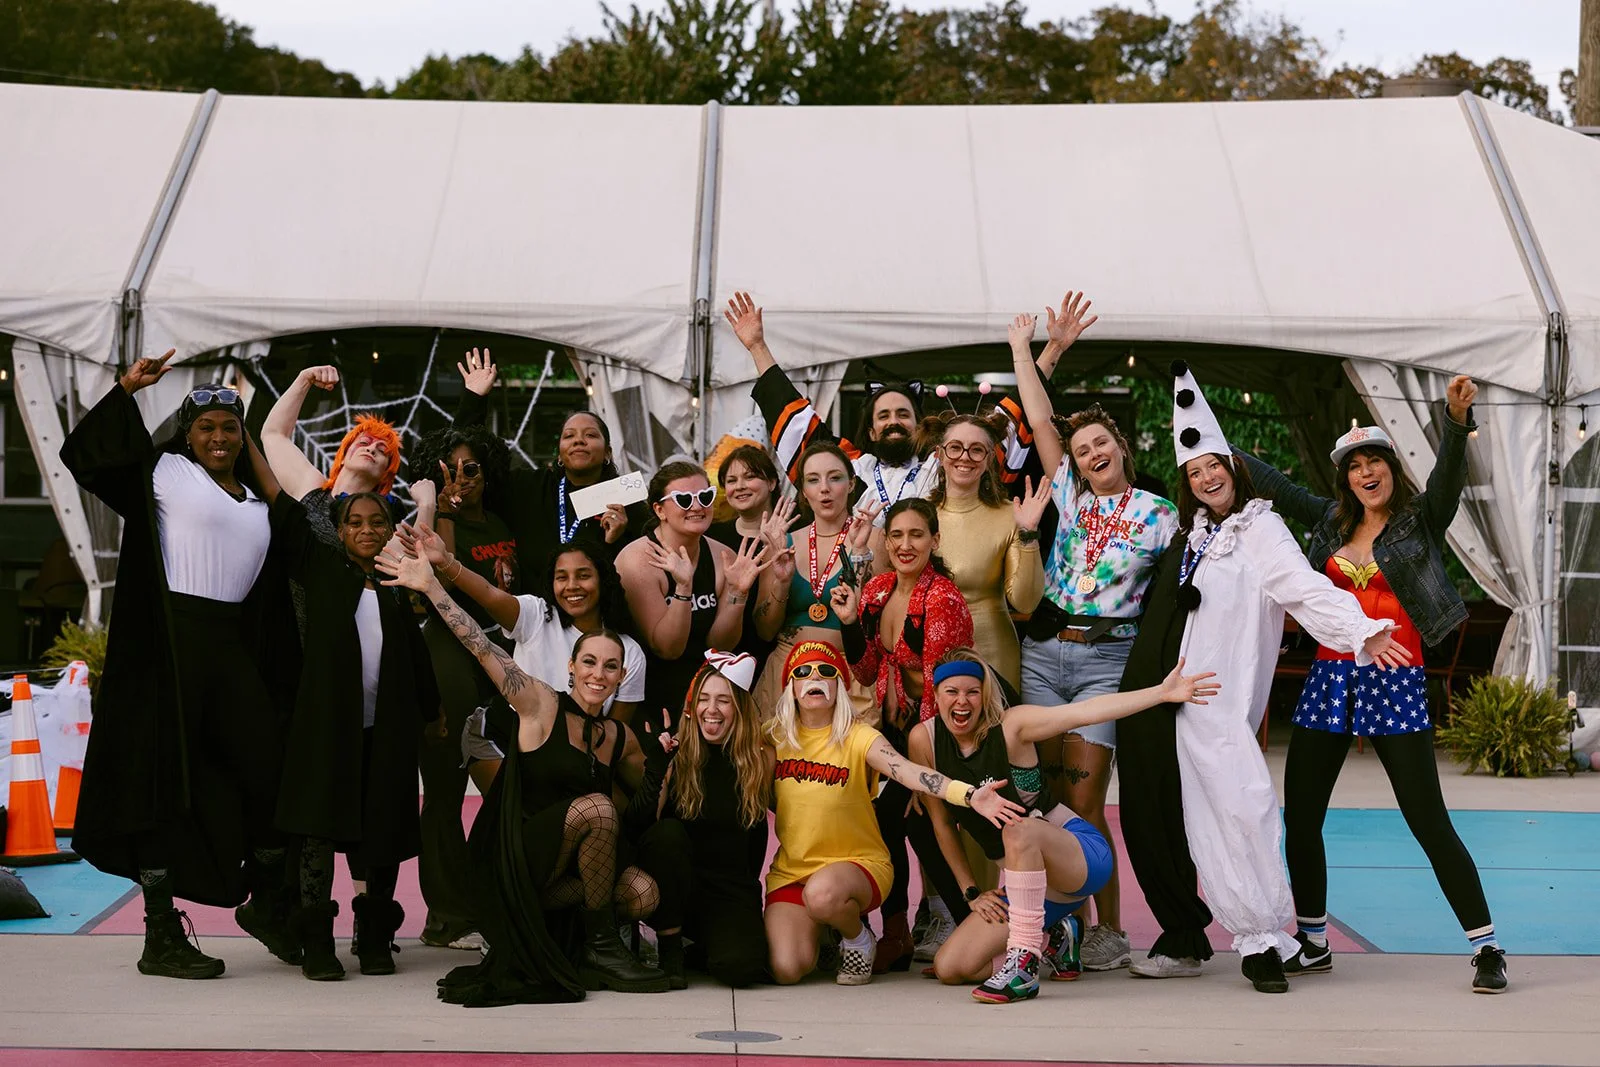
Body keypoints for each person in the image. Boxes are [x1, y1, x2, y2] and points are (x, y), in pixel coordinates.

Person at [1119, 363, 1410, 994]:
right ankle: (1258, 938)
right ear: (1189, 483)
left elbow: (1302, 589)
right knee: (1203, 818)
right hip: (1178, 699)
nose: (1208, 477)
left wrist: (1361, 628)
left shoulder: (1260, 529)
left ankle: (1263, 934)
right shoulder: (1194, 534)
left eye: (1215, 465)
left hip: (1223, 701)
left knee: (1245, 808)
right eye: (1196, 473)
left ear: (1233, 466)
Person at [1238, 375, 1506, 993]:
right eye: (1355, 465)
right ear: (1346, 479)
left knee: (1428, 820)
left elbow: (1447, 481)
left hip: (1396, 681)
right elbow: (1274, 484)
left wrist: (1456, 420)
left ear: (1390, 469)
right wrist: (1215, 448)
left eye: (1375, 461)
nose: (1366, 472)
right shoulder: (1330, 525)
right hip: (1331, 679)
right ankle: (1312, 941)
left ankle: (1487, 946)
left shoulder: (1419, 521)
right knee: (1301, 818)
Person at [60, 352, 298, 979]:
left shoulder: (257, 500)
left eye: (228, 427)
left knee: (268, 769)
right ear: (187, 435)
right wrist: (125, 391)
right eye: (206, 428)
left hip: (232, 648)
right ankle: (160, 933)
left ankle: (269, 903)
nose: (218, 437)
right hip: (169, 647)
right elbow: (86, 457)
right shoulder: (164, 473)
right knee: (165, 784)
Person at [378, 546, 675, 999]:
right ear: (571, 668)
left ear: (621, 677)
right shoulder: (540, 703)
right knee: (595, 807)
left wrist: (662, 762)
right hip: (512, 862)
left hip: (559, 880)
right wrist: (433, 587)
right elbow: (480, 645)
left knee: (644, 893)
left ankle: (585, 949)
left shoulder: (620, 738)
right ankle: (601, 948)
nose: (599, 673)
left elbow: (642, 815)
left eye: (611, 666)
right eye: (589, 662)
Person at [1008, 293, 1174, 972]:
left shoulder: (1162, 513)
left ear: (1121, 447)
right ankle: (1058, 922)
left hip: (1108, 656)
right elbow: (1039, 417)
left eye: (1100, 442)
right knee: (1041, 797)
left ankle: (1105, 925)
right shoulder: (1071, 496)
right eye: (1080, 448)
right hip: (1044, 652)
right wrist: (1027, 348)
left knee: (1083, 797)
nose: (1090, 451)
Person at [910, 649, 1219, 1003]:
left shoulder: (1012, 726)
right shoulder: (925, 740)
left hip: (1079, 856)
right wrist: (971, 892)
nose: (962, 702)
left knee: (1017, 827)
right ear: (935, 695)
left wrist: (1159, 694)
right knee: (952, 968)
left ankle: (1023, 962)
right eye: (952, 692)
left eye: (972, 691)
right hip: (1033, 885)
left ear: (985, 695)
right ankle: (1059, 930)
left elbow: (1083, 712)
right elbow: (943, 824)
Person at [763, 640, 1025, 986]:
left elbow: (907, 771)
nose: (815, 678)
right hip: (793, 873)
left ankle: (857, 938)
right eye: (803, 672)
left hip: (857, 866)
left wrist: (968, 794)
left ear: (839, 685)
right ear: (791, 687)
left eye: (826, 671)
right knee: (787, 969)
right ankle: (825, 933)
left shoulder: (858, 737)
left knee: (823, 894)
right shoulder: (773, 737)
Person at [265, 488, 438, 981]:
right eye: (355, 522)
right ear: (338, 533)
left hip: (384, 730)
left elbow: (414, 651)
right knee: (319, 830)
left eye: (377, 522)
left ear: (390, 530)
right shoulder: (322, 572)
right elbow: (285, 509)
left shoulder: (396, 584)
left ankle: (375, 935)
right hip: (326, 729)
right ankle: (317, 939)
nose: (366, 530)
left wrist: (432, 710)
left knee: (381, 829)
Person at [836, 498, 975, 972]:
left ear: (935, 541)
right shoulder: (876, 590)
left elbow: (943, 689)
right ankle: (896, 931)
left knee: (919, 820)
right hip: (896, 727)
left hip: (944, 732)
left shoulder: (942, 598)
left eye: (917, 535)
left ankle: (968, 924)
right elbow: (866, 667)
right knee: (883, 819)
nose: (905, 544)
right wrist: (852, 622)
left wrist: (924, 774)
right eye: (896, 535)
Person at [406, 424, 522, 951]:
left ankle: (492, 901)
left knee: (506, 789)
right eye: (447, 469)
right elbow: (437, 571)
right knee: (446, 794)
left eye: (470, 468)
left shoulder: (499, 519)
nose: (460, 478)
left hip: (495, 659)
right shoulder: (440, 523)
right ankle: (446, 916)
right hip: (448, 657)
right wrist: (435, 504)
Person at [419, 534, 646, 788]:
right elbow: (488, 594)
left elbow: (613, 735)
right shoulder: (536, 615)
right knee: (519, 813)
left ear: (602, 580)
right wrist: (445, 562)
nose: (572, 586)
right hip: (504, 738)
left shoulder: (630, 651)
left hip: (573, 755)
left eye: (583, 575)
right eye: (562, 577)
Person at [725, 291, 937, 526]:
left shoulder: (940, 470)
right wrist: (757, 347)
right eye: (883, 416)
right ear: (871, 431)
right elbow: (798, 427)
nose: (893, 422)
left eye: (903, 414)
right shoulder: (852, 469)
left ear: (920, 426)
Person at [451, 349, 639, 576]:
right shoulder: (529, 488)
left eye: (590, 435)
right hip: (532, 608)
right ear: (559, 454)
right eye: (569, 436)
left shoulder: (625, 499)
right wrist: (474, 399)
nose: (578, 440)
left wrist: (620, 539)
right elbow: (470, 467)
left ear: (608, 452)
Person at [615, 461, 770, 732]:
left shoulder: (723, 556)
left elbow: (720, 646)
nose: (697, 507)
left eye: (705, 496)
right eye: (684, 500)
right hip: (653, 696)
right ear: (660, 510)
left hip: (707, 695)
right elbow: (667, 648)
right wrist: (683, 588)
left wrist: (738, 593)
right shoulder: (637, 561)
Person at [657, 652, 774, 987]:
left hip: (731, 890)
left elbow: (757, 842)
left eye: (723, 700)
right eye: (704, 699)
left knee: (742, 969)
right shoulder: (677, 755)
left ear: (739, 708)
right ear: (692, 706)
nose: (712, 709)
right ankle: (671, 943)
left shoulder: (760, 759)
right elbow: (645, 829)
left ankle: (704, 947)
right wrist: (658, 772)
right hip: (678, 887)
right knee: (667, 834)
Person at [750, 442, 878, 713]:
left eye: (835, 478)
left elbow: (878, 622)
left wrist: (861, 555)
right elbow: (764, 630)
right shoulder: (781, 543)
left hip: (849, 676)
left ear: (852, 484)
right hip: (786, 674)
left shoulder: (875, 540)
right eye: (813, 480)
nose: (825, 489)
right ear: (804, 492)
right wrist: (782, 583)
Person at [924, 412, 1049, 688]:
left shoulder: (1010, 515)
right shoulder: (919, 516)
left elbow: (1026, 602)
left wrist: (1028, 533)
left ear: (990, 458)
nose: (964, 457)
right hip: (929, 652)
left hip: (995, 654)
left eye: (976, 449)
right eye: (955, 447)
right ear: (939, 454)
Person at [261, 364, 403, 546]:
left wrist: (426, 507)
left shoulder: (386, 528)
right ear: (343, 456)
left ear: (386, 474)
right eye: (363, 443)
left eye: (382, 451)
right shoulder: (312, 489)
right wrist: (304, 379)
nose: (372, 449)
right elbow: (273, 433)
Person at [707, 445, 782, 671]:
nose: (739, 486)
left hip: (779, 659)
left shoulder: (795, 533)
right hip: (725, 660)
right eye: (731, 481)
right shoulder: (711, 535)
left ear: (771, 483)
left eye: (750, 477)